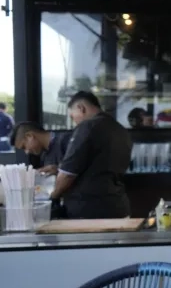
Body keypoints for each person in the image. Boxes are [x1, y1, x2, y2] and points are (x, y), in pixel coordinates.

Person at [50, 91, 133, 219]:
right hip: (118, 206)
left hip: (88, 210)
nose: (74, 122)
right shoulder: (120, 130)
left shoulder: (87, 127)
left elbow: (68, 173)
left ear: (81, 108)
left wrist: (53, 196)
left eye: (73, 116)